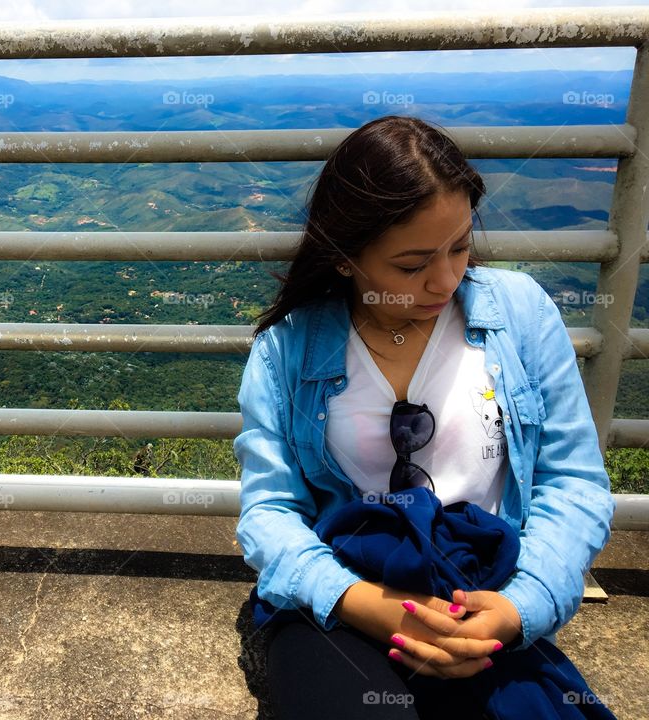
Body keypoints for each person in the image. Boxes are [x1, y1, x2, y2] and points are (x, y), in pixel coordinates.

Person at [233, 115, 616, 719]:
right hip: (347, 596)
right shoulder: (287, 350)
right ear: (342, 258)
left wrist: (520, 607)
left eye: (460, 247)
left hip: (484, 588)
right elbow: (271, 510)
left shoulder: (521, 317)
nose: (445, 280)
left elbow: (573, 483)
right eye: (411, 266)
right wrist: (368, 603)